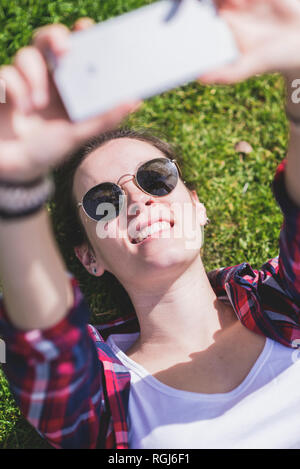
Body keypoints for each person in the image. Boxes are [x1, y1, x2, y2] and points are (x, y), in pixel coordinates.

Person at [0, 0, 300, 450]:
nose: (138, 200)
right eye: (104, 202)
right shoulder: (106, 396)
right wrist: (14, 186)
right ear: (89, 257)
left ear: (197, 208)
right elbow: (47, 353)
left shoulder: (286, 301)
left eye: (155, 178)